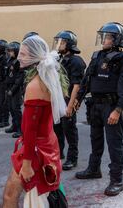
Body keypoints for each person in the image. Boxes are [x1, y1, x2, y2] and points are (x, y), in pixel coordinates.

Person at [74, 22, 123, 196]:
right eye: (103, 36)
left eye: (107, 37)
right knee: (95, 140)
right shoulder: (97, 56)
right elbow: (87, 79)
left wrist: (118, 110)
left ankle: (117, 180)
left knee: (114, 144)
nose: (104, 40)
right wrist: (78, 99)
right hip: (95, 105)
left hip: (111, 106)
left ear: (117, 39)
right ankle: (94, 169)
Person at [3, 35, 66, 207]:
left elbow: (30, 130)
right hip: (48, 145)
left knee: (10, 195)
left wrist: (27, 164)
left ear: (34, 57)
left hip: (37, 151)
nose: (19, 57)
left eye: (23, 54)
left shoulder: (35, 86)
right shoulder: (48, 78)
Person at [52, 31, 86, 170]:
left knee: (69, 130)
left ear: (70, 45)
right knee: (56, 128)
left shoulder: (76, 61)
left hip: (67, 99)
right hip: (57, 99)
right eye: (58, 42)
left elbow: (76, 85)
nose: (59, 45)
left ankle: (73, 158)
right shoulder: (58, 59)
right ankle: (59, 153)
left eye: (63, 42)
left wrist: (71, 105)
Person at [1, 42, 24, 138]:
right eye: (8, 51)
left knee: (16, 109)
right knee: (11, 108)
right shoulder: (10, 60)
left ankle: (20, 129)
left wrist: (13, 89)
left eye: (11, 51)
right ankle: (14, 126)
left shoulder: (19, 62)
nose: (9, 53)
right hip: (9, 87)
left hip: (16, 89)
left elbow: (19, 78)